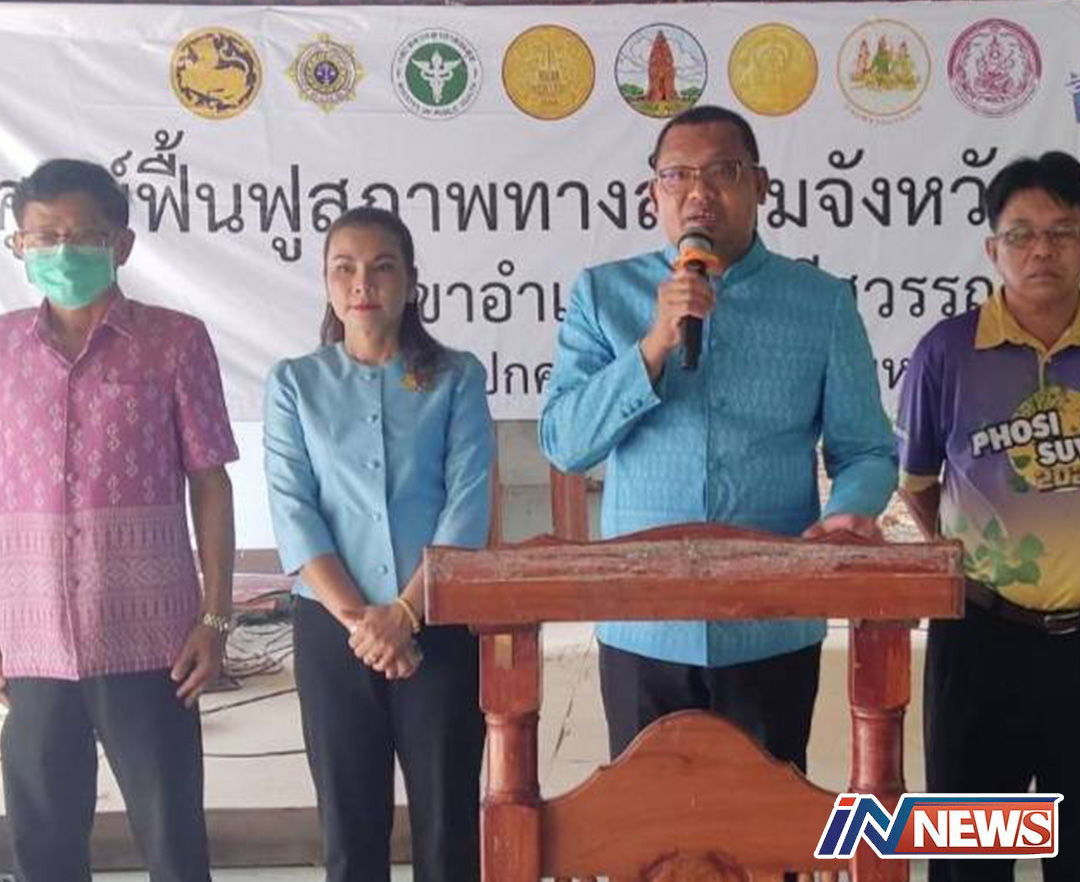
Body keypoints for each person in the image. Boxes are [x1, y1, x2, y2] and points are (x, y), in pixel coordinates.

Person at [539, 105, 897, 771]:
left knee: (765, 822)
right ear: (653, 194)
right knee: (647, 825)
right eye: (677, 175)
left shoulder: (821, 302)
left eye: (722, 172)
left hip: (772, 623)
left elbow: (867, 450)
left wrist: (850, 510)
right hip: (643, 624)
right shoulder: (603, 294)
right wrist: (652, 345)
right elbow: (565, 442)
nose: (698, 192)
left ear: (761, 185)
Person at [0, 158, 237, 881]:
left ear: (122, 244)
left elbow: (211, 484)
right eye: (44, 237)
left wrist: (215, 618)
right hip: (31, 640)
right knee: (42, 847)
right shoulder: (2, 349)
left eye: (82, 235)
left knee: (173, 842)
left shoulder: (176, 342)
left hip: (154, 639)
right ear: (18, 246)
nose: (62, 251)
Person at [263, 207, 493, 882]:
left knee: (448, 824)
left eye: (382, 266)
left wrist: (406, 614)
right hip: (332, 631)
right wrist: (365, 625)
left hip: (439, 624)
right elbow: (294, 511)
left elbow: (467, 506)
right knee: (349, 825)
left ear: (411, 281)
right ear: (327, 283)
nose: (362, 282)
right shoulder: (295, 382)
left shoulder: (457, 376)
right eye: (345, 268)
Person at [897, 151, 1080, 882]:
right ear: (992, 249)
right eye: (1021, 234)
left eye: (1063, 232)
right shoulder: (948, 351)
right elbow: (917, 483)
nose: (1042, 250)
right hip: (980, 641)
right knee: (970, 851)